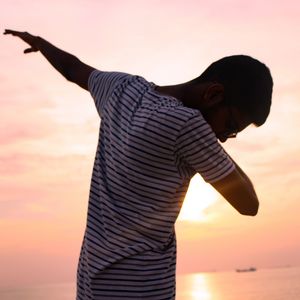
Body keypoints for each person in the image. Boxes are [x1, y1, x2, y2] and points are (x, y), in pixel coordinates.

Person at [4, 29, 273, 300]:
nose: (223, 139)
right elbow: (249, 204)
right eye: (229, 126)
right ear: (214, 94)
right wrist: (209, 143)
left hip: (92, 282)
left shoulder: (123, 89)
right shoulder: (188, 126)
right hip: (141, 287)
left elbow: (74, 70)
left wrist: (40, 43)